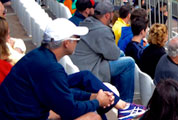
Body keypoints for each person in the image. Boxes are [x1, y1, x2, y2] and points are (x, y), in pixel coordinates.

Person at [0, 18, 145, 119]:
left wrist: (92, 97)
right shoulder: (51, 69)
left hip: (21, 111)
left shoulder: (39, 56)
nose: (78, 42)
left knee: (85, 76)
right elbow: (69, 110)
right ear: (66, 43)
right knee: (93, 117)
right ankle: (121, 107)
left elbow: (62, 92)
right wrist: (97, 101)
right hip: (23, 115)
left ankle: (121, 106)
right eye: (77, 39)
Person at [71, 1, 136, 102]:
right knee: (129, 63)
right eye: (112, 13)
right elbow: (114, 55)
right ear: (107, 15)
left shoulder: (88, 21)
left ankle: (116, 94)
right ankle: (126, 103)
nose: (113, 15)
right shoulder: (102, 30)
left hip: (82, 63)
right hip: (90, 69)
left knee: (122, 55)